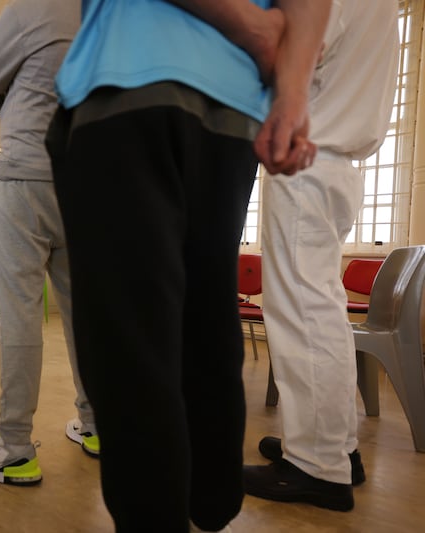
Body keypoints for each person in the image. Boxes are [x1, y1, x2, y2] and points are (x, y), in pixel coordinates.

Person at [44, 1, 330, 531]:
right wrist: (292, 94)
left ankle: (161, 514)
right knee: (206, 313)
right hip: (234, 104)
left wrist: (250, 25)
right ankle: (211, 496)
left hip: (127, 78)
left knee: (129, 338)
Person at [243, 0, 400, 512]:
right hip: (335, 163)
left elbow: (288, 52)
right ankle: (334, 449)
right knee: (320, 310)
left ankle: (316, 466)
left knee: (303, 316)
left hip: (307, 155)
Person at [0, 0, 96, 486]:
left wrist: (19, 94)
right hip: (85, 186)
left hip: (26, 178)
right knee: (84, 317)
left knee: (20, 317)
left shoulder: (30, 9)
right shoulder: (114, 16)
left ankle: (14, 446)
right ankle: (97, 425)